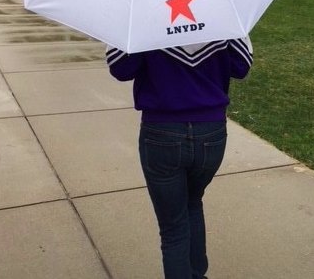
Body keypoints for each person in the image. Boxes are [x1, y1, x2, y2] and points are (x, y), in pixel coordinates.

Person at [106, 38, 253, 279]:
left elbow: (121, 68)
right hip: (211, 131)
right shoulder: (221, 12)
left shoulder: (142, 16)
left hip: (161, 132)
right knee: (193, 203)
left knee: (173, 228)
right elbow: (241, 65)